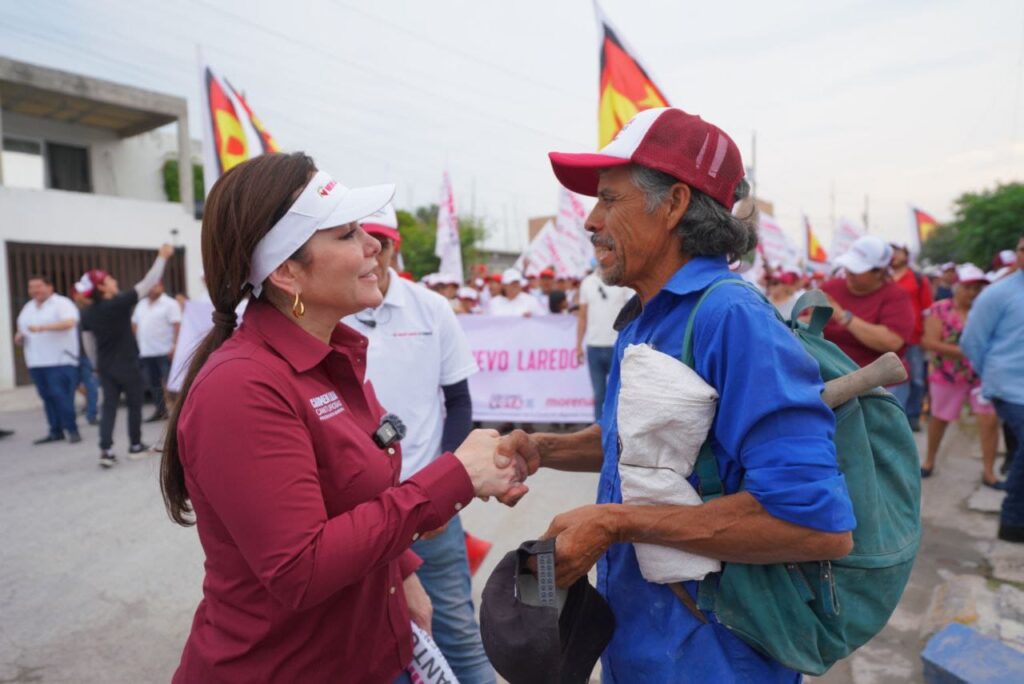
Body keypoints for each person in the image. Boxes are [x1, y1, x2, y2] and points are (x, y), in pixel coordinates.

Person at [502, 107, 855, 682]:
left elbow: (818, 527)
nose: (590, 221)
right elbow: (647, 443)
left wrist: (616, 523)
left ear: (674, 204)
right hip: (640, 641)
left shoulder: (731, 317)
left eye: (609, 200)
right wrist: (545, 448)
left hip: (713, 656)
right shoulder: (648, 313)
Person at [159, 153, 522, 683]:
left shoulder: (331, 357)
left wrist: (403, 574)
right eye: (349, 234)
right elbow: (300, 569)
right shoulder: (242, 387)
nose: (374, 245)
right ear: (286, 272)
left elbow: (359, 498)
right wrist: (453, 477)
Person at [344, 203, 494, 684]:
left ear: (394, 248)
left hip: (427, 506)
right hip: (353, 513)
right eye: (354, 240)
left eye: (379, 243)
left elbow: (460, 403)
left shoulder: (430, 307)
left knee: (455, 634)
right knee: (364, 646)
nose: (369, 255)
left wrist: (443, 488)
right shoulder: (329, 310)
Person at [80, 245, 174, 467]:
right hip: (128, 364)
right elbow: (148, 283)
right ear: (102, 287)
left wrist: (95, 365)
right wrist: (161, 258)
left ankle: (106, 450)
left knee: (109, 407)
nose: (114, 282)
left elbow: (88, 342)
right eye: (110, 280)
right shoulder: (119, 303)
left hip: (105, 366)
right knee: (134, 404)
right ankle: (135, 446)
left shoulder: (87, 312)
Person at [962, 234, 1024, 543]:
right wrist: (992, 375)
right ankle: (1013, 520)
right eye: (1022, 249)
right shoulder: (997, 294)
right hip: (1009, 387)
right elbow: (972, 341)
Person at [919, 265, 1001, 486]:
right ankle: (929, 460)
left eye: (978, 288)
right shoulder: (939, 309)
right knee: (940, 418)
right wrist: (966, 351)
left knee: (989, 419)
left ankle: (988, 472)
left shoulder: (986, 310)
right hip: (947, 374)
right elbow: (929, 341)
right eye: (969, 287)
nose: (973, 293)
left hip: (981, 375)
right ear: (957, 287)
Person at [820, 236, 915, 404]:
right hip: (833, 382)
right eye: (848, 266)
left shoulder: (896, 297)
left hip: (880, 386)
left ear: (879, 271)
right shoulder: (830, 288)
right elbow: (806, 326)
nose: (849, 272)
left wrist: (843, 316)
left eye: (857, 270)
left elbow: (891, 342)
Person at [14, 274, 82, 444]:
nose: (35, 290)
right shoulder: (28, 308)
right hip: (36, 361)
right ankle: (55, 430)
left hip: (60, 360)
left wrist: (42, 328)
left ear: (50, 287)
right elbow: (22, 330)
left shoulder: (62, 303)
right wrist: (19, 337)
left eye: (39, 286)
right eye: (31, 287)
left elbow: (70, 323)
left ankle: (72, 430)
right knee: (47, 397)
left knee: (61, 396)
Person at [576, 265, 633, 422]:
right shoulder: (587, 283)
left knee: (620, 392)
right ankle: (599, 432)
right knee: (599, 393)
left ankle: (618, 429)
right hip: (594, 346)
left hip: (617, 345)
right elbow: (582, 317)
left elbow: (632, 311)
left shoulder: (621, 280)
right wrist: (578, 345)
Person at [890, 242, 934, 430]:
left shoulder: (917, 278)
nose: (894, 256)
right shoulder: (883, 278)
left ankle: (913, 415)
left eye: (897, 253)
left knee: (916, 378)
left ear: (906, 256)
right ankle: (894, 416)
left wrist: (927, 335)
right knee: (892, 378)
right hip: (890, 337)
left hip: (914, 338)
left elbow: (928, 309)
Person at [132, 282, 182, 422]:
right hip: (147, 351)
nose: (153, 288)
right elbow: (135, 323)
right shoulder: (141, 304)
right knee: (153, 384)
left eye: (156, 285)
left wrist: (175, 345)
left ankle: (179, 412)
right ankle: (161, 411)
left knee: (171, 383)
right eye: (151, 286)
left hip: (165, 350)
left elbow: (177, 325)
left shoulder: (170, 304)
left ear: (162, 287)